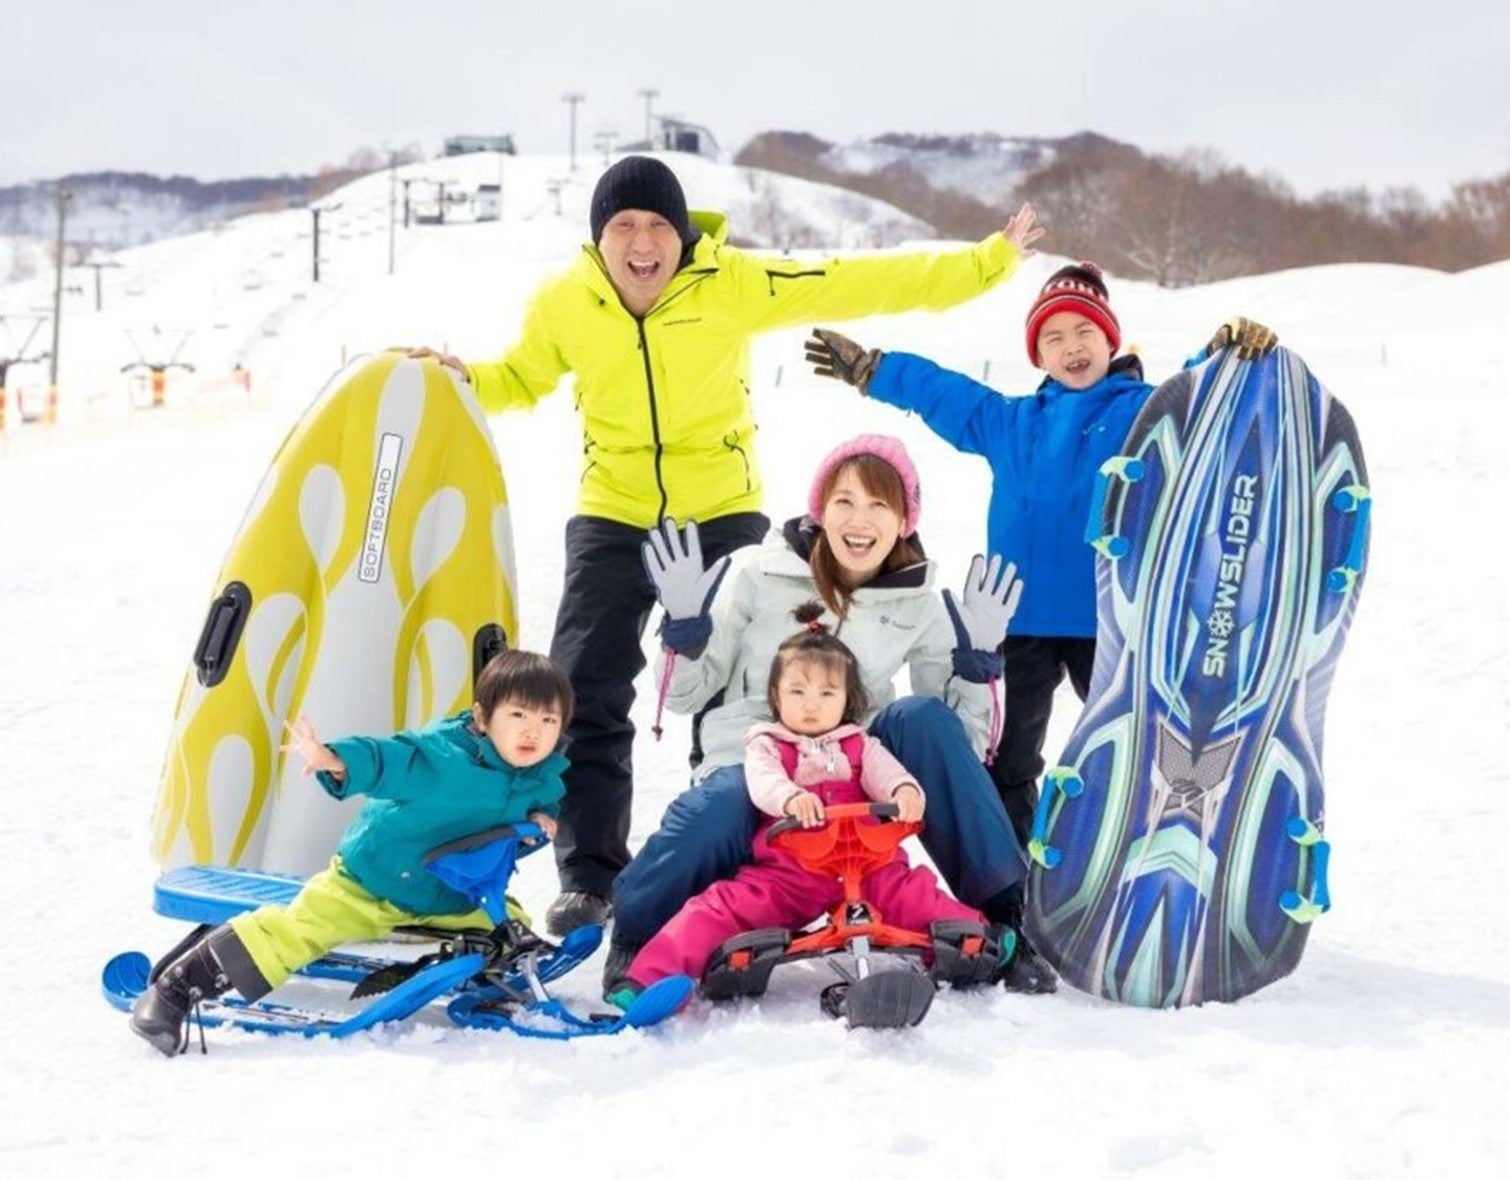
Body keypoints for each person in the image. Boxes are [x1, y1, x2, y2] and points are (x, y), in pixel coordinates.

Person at [408, 155, 1044, 938]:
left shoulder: (731, 282)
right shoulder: (565, 302)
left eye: (658, 226)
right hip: (614, 511)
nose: (643, 243)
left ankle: (751, 846)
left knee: (744, 687)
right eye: (623, 227)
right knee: (585, 686)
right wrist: (463, 380)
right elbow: (520, 377)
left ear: (682, 235)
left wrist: (988, 262)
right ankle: (590, 878)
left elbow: (858, 280)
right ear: (600, 238)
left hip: (719, 509)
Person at [803, 262, 1277, 842]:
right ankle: (1012, 870)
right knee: (1008, 757)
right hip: (1017, 619)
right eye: (1053, 338)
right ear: (1038, 356)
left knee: (1140, 744)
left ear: (1111, 340)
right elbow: (946, 394)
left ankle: (1145, 846)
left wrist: (1224, 356)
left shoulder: (1142, 412)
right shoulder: (1013, 423)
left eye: (1084, 332)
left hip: (1111, 616)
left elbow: (1193, 402)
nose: (1071, 347)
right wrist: (875, 370)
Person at [608, 433, 1059, 995]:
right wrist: (685, 636)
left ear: (904, 520)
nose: (859, 520)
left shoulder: (918, 602)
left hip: (848, 778)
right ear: (820, 509)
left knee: (920, 717)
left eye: (879, 504)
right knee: (720, 804)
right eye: (844, 500)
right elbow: (682, 696)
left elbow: (960, 747)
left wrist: (978, 668)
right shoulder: (755, 572)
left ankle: (1004, 917)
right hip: (752, 765)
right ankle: (636, 934)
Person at [127, 650, 573, 1056]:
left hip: (449, 896)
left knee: (508, 923)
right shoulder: (441, 757)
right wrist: (334, 759)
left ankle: (488, 973)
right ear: (482, 716)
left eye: (548, 720)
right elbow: (385, 758)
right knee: (301, 928)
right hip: (370, 882)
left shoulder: (541, 778)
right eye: (518, 714)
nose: (532, 730)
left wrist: (539, 820)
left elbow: (528, 814)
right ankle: (177, 989)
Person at [610, 604, 1017, 1005]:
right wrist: (790, 798)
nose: (811, 704)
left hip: (870, 865)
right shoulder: (769, 744)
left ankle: (980, 942)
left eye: (826, 693)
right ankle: (649, 978)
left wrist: (905, 793)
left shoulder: (861, 744)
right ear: (776, 696)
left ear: (847, 699)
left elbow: (889, 775)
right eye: (797, 692)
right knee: (718, 908)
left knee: (918, 897)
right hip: (791, 873)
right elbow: (763, 782)